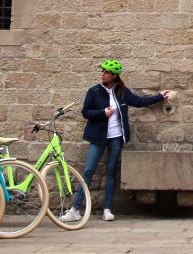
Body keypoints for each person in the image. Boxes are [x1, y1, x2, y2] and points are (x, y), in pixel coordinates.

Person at [61, 59, 170, 222]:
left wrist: (159, 97)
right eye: (102, 71)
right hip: (98, 137)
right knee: (88, 171)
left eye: (106, 72)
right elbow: (86, 112)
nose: (103, 74)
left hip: (117, 137)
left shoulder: (122, 91)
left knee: (111, 172)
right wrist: (102, 113)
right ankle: (75, 209)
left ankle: (107, 209)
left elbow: (139, 102)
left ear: (114, 76)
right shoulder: (94, 91)